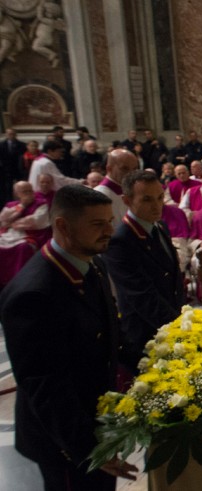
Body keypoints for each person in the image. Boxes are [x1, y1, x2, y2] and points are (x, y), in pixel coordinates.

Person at [0, 185, 138, 490]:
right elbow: (45, 386)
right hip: (65, 442)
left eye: (109, 221)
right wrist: (89, 449)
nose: (109, 230)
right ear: (62, 225)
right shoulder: (34, 294)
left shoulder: (92, 263)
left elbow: (112, 335)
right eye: (97, 224)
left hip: (96, 420)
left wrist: (154, 368)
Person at [103, 170, 185, 374]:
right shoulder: (120, 241)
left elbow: (172, 279)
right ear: (127, 200)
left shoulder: (159, 226)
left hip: (171, 322)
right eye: (147, 199)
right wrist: (179, 327)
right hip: (147, 332)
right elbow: (141, 296)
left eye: (159, 197)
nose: (157, 205)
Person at [0, 181, 51, 290]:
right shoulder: (11, 205)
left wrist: (13, 222)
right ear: (17, 194)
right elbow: (3, 220)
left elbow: (35, 221)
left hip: (29, 235)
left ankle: (21, 281)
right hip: (9, 235)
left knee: (23, 248)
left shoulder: (41, 203)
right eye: (24, 192)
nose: (29, 193)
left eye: (30, 190)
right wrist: (22, 206)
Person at [94, 148, 139, 224]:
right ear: (109, 168)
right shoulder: (98, 195)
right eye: (125, 168)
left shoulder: (132, 189)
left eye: (134, 169)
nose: (131, 173)